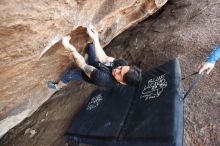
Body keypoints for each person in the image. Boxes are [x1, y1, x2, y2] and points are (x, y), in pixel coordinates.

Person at [48, 26, 142, 90]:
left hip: (90, 73)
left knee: (68, 75)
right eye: (120, 68)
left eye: (119, 73)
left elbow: (83, 65)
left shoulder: (103, 79)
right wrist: (95, 38)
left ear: (122, 83)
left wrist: (70, 48)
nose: (117, 69)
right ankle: (90, 55)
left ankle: (57, 87)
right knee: (90, 46)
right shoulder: (122, 65)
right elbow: (104, 58)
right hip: (98, 65)